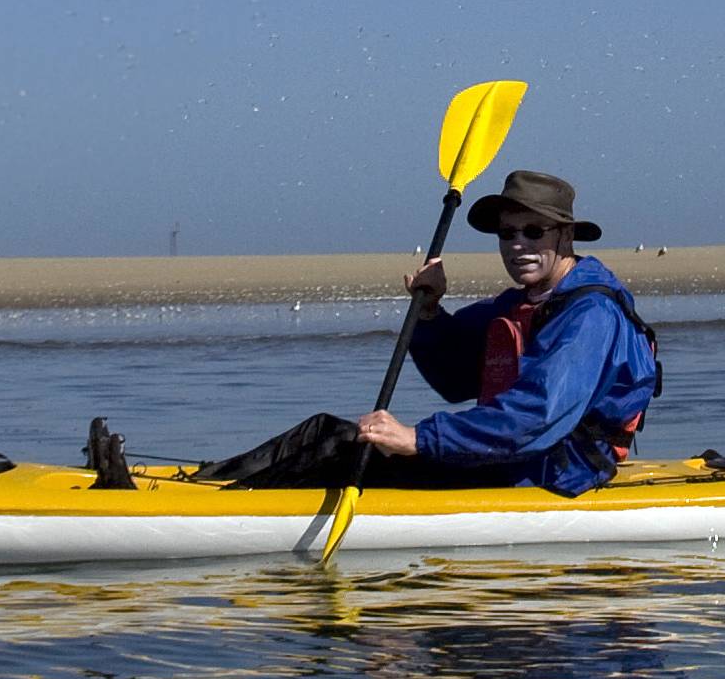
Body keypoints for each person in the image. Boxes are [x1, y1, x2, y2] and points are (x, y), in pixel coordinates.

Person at [192, 169, 661, 497]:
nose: (518, 245)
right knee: (326, 430)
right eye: (507, 233)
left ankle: (223, 510)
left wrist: (418, 439)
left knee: (340, 447)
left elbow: (535, 419)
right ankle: (206, 486)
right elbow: (454, 379)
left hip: (552, 472)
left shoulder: (590, 315)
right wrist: (431, 312)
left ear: (565, 236)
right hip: (512, 458)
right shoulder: (517, 304)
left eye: (533, 231)